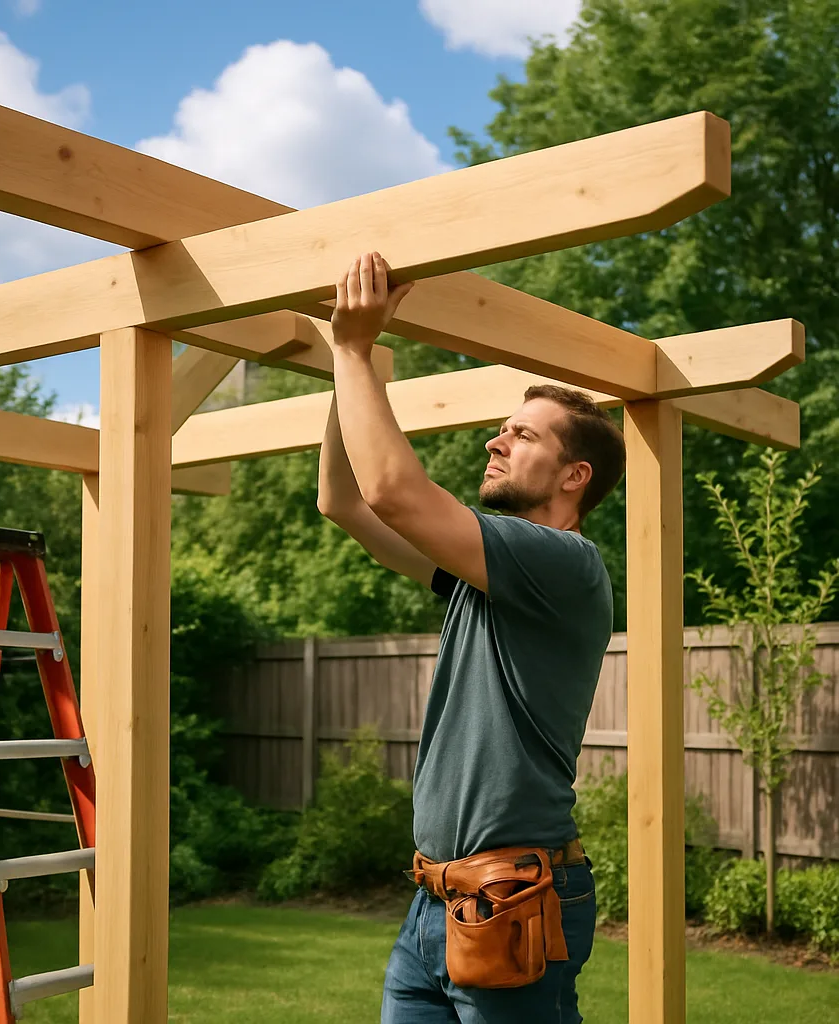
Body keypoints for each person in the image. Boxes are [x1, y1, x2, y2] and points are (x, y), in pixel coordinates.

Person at [318, 252, 626, 1023]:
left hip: (513, 896)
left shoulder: (564, 564)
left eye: (519, 435)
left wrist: (356, 350)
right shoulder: (480, 577)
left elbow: (393, 492)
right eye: (499, 430)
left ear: (573, 476)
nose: (495, 443)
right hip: (435, 898)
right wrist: (345, 362)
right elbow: (344, 501)